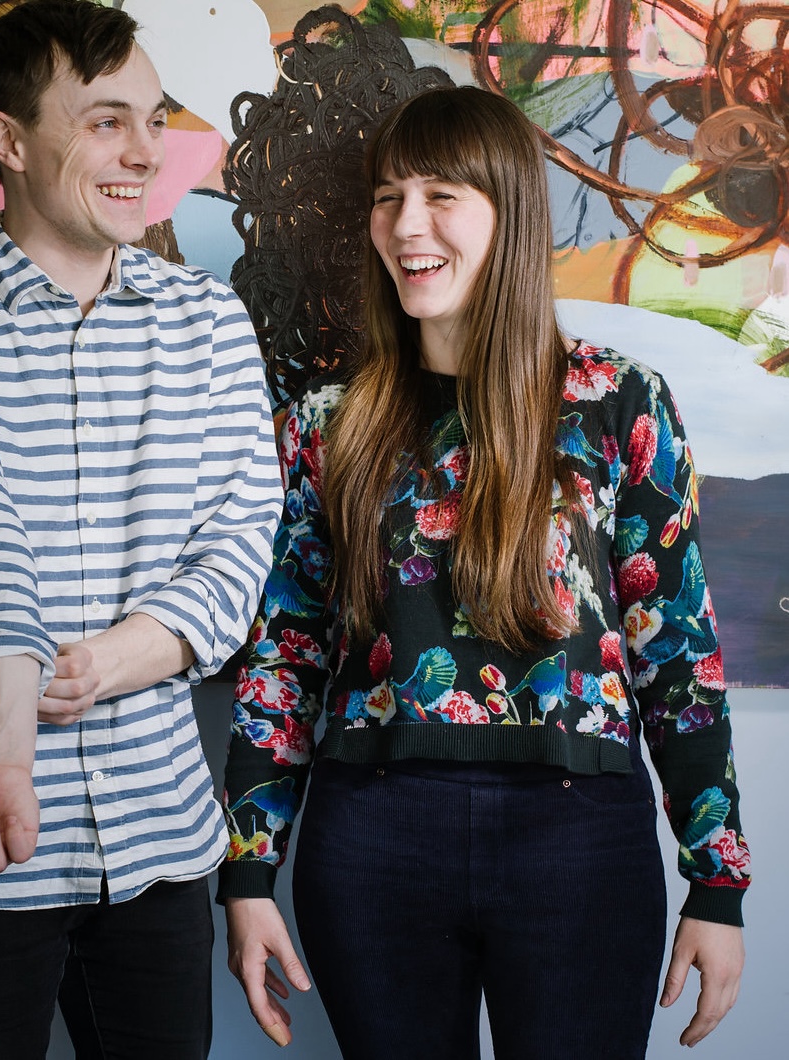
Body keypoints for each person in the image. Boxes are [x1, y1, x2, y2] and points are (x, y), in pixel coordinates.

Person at [217, 85, 749, 1059]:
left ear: (509, 210)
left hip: (578, 836)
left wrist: (716, 883)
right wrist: (247, 874)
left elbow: (676, 651)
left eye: (439, 195)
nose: (403, 225)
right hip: (372, 839)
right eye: (386, 196)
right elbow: (284, 652)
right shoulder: (327, 421)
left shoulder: (615, 400)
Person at [0, 2, 281, 1057]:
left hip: (162, 847)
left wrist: (97, 665)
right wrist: (3, 754)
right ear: (9, 140)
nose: (146, 151)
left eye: (152, 117)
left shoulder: (211, 324)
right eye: (104, 122)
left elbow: (236, 555)